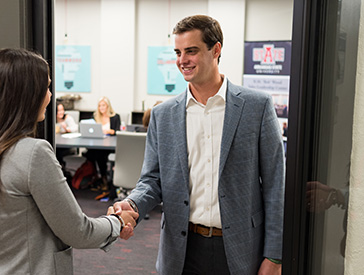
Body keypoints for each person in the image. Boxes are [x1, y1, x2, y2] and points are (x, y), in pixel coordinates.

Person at [114, 15, 285, 275]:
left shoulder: (257, 106)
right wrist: (133, 205)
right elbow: (152, 180)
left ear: (216, 50)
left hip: (240, 250)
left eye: (191, 51)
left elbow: (275, 185)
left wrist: (274, 255)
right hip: (182, 250)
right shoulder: (163, 115)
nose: (182, 60)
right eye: (178, 52)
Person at [0, 48, 138, 275]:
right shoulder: (33, 154)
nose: (50, 96)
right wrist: (116, 221)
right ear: (25, 96)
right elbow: (77, 231)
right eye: (45, 88)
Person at [84, 96, 120, 192]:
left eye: (103, 105)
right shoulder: (95, 116)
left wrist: (110, 131)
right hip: (98, 143)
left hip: (110, 145)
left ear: (108, 106)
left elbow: (118, 131)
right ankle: (96, 178)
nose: (101, 108)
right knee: (91, 153)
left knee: (100, 155)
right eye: (99, 106)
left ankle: (104, 179)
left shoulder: (115, 117)